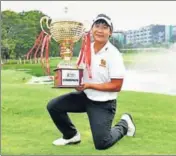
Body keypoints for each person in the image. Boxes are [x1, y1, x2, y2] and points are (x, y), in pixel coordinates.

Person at [47, 13, 136, 150]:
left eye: (105, 27)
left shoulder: (114, 54)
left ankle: (125, 123)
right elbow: (79, 73)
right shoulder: (86, 48)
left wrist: (89, 85)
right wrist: (67, 79)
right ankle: (71, 135)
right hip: (85, 97)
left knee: (102, 143)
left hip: (103, 103)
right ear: (92, 29)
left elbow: (116, 85)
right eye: (97, 26)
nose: (100, 30)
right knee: (53, 106)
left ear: (110, 32)